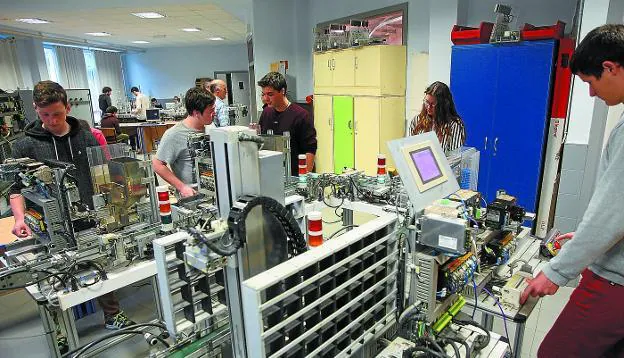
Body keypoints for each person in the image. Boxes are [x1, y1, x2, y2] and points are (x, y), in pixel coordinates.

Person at [520, 24, 624, 357]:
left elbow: (613, 211)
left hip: (614, 282)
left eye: (591, 83)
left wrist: (556, 272)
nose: (592, 94)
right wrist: (584, 236)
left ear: (610, 67)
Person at [9, 81, 134, 330]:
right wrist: (20, 219)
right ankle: (60, 329)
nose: (52, 120)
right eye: (45, 115)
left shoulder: (87, 138)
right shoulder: (24, 146)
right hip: (47, 221)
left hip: (88, 215)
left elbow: (104, 176)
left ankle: (112, 315)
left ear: (67, 107)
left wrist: (115, 205)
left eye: (57, 113)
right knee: (52, 277)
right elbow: (16, 189)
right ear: (35, 109)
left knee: (99, 263)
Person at [152, 87, 215, 198]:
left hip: (214, 194)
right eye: (210, 111)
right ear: (196, 113)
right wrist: (182, 187)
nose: (214, 113)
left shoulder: (211, 129)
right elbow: (157, 165)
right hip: (192, 198)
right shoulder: (174, 134)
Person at [258, 72, 317, 176]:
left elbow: (310, 150)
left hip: (294, 175)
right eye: (263, 94)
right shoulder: (266, 113)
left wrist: (304, 181)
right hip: (272, 174)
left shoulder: (301, 115)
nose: (265, 99)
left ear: (282, 91)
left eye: (270, 94)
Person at [409, 81, 466, 154]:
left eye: (433, 104)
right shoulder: (416, 121)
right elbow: (410, 150)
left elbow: (455, 159)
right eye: (426, 102)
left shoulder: (454, 125)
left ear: (444, 105)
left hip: (443, 165)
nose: (428, 107)